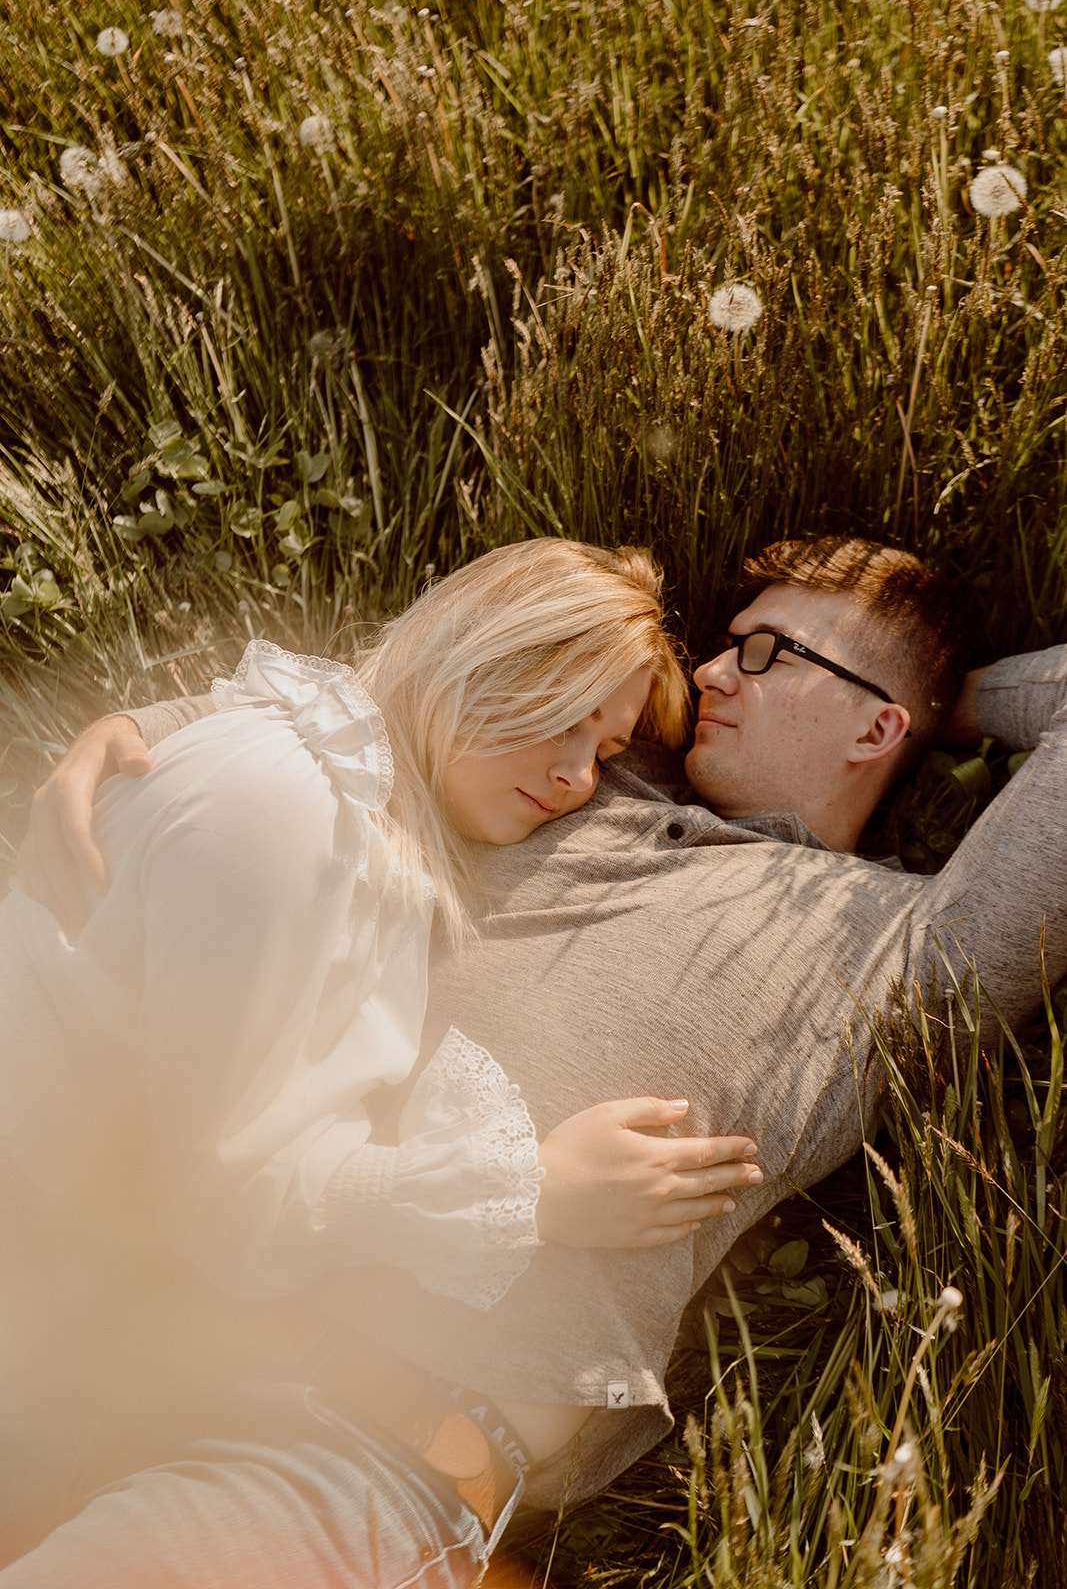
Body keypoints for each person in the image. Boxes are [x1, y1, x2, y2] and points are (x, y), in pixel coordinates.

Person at [15, 532, 1064, 1585]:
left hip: (343, 1454)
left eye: (764, 652)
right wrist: (150, 731)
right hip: (123, 1329)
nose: (708, 670)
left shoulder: (901, 955)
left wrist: (951, 704)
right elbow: (403, 710)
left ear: (873, 721)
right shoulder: (575, 788)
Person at [0, 537, 762, 1586]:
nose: (576, 775)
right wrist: (530, 1190)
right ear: (479, 657)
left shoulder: (336, 794)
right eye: (561, 714)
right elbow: (230, 1214)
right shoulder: (289, 819)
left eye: (605, 745)